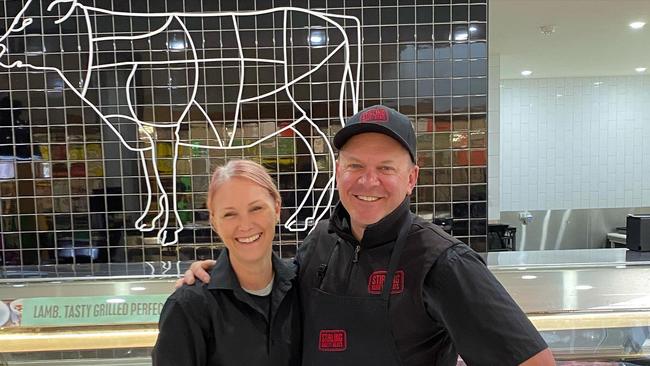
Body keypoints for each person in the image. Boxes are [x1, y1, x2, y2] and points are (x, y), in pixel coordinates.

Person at [180, 105, 556, 366]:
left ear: (411, 178)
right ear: (338, 171)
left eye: (386, 168)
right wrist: (218, 273)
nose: (368, 180)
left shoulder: (443, 263)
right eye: (355, 165)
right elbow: (270, 291)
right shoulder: (321, 240)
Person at [153, 160, 301, 366]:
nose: (245, 225)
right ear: (214, 221)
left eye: (256, 208)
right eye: (230, 214)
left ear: (277, 208)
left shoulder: (304, 289)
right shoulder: (189, 306)